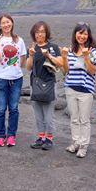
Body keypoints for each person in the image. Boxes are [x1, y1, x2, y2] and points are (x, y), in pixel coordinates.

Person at [61, 22, 96, 158]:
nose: (82, 36)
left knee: (84, 120)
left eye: (85, 33)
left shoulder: (92, 51)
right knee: (74, 118)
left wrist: (86, 56)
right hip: (70, 88)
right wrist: (64, 57)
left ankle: (84, 145)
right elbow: (66, 70)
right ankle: (76, 142)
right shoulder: (70, 50)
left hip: (85, 90)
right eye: (80, 33)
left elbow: (93, 71)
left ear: (88, 35)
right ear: (75, 34)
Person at [0, 13, 27, 147]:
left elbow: (22, 60)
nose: (6, 25)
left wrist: (15, 67)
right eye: (3, 23)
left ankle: (11, 136)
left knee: (14, 108)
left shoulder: (19, 40)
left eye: (8, 22)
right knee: (0, 109)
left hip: (16, 79)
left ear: (12, 23)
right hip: (0, 78)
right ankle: (0, 136)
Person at [26, 21, 63, 150]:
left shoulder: (53, 47)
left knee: (48, 115)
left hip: (49, 84)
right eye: (37, 32)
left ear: (46, 32)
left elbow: (60, 63)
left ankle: (49, 138)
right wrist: (31, 55)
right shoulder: (32, 48)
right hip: (35, 85)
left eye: (42, 31)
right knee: (38, 114)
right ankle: (41, 137)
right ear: (33, 34)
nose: (39, 34)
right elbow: (28, 67)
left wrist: (48, 55)